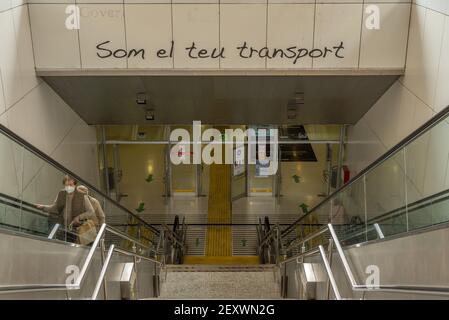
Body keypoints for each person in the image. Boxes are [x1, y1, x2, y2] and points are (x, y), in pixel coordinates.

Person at [36, 175, 95, 243]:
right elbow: (55, 208)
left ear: (75, 185)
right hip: (62, 228)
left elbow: (91, 211)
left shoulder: (82, 196)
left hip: (76, 229)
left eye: (70, 185)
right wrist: (43, 207)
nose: (68, 187)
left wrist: (79, 217)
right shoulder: (61, 193)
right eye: (66, 185)